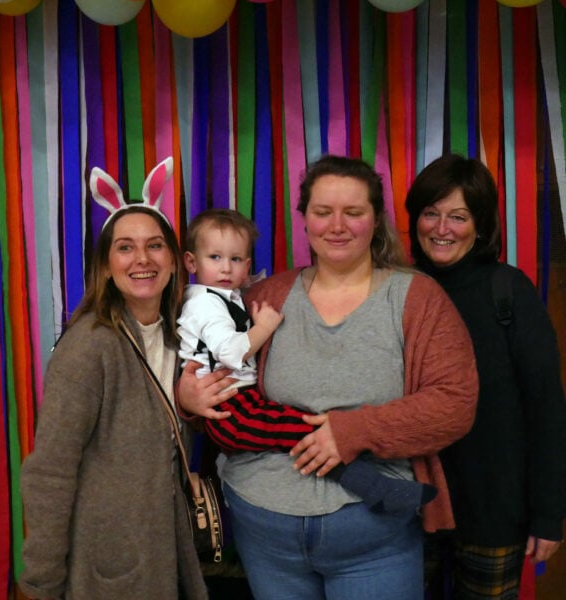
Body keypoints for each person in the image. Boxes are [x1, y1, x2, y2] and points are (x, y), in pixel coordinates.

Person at [177, 155, 479, 600]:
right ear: (304, 220)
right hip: (265, 534)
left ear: (375, 219)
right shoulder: (263, 296)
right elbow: (219, 380)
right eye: (323, 212)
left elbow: (454, 403)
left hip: (374, 538)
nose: (337, 226)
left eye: (353, 212)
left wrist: (354, 431)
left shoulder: (416, 298)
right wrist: (189, 398)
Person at [19, 159, 208, 600]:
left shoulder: (180, 336)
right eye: (125, 247)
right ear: (106, 266)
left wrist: (188, 408)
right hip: (109, 554)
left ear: (174, 260)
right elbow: (50, 472)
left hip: (163, 544)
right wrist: (43, 580)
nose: (142, 259)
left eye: (155, 245)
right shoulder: (90, 346)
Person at [177, 208, 436, 513]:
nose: (225, 268)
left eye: (235, 259)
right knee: (309, 431)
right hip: (227, 409)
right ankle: (377, 486)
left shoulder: (225, 296)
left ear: (246, 266)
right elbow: (231, 353)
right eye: (214, 258)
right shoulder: (204, 304)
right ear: (191, 262)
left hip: (239, 401)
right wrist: (264, 327)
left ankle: (375, 486)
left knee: (305, 434)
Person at [405, 153, 566, 599]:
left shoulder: (508, 291)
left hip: (495, 512)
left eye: (458, 216)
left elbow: (546, 409)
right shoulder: (397, 289)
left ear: (480, 225)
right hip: (409, 510)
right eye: (430, 213)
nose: (441, 228)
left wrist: (548, 514)